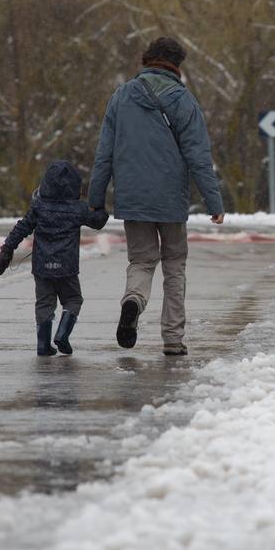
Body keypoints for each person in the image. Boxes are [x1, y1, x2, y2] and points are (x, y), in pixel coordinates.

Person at [88, 36, 225, 356]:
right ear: (177, 65)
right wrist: (214, 201)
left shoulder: (121, 97)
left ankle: (133, 301)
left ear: (147, 59)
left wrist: (96, 198)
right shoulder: (183, 99)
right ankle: (173, 339)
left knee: (141, 260)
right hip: (170, 200)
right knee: (174, 265)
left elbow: (104, 154)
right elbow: (198, 156)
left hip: (132, 198)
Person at [0, 161, 109, 355]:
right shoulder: (78, 208)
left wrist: (7, 249)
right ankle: (63, 334)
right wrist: (100, 208)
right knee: (73, 299)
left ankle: (43, 344)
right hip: (67, 267)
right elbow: (98, 222)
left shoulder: (39, 206)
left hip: (42, 266)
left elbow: (22, 227)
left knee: (44, 303)